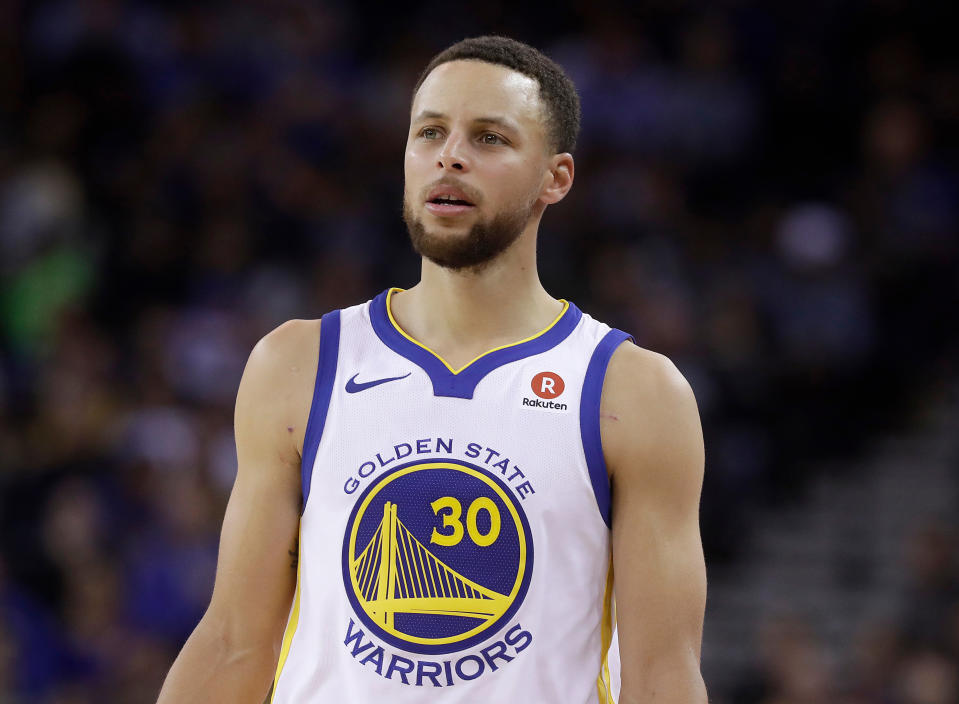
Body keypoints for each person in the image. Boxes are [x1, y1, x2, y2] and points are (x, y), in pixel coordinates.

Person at [157, 35, 707, 704]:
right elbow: (233, 643)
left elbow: (660, 676)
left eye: (489, 138)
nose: (450, 155)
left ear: (555, 178)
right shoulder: (297, 364)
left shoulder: (633, 391)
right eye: (430, 132)